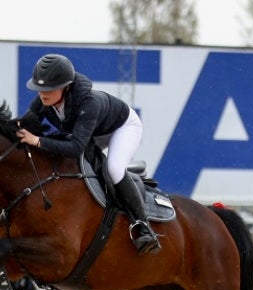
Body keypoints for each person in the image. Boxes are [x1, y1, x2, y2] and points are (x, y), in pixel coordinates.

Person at [16, 53, 161, 254]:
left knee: (114, 169)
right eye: (40, 88)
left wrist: (38, 141)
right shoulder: (44, 101)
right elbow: (25, 124)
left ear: (66, 86)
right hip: (95, 132)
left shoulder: (88, 102)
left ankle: (143, 226)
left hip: (123, 127)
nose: (42, 93)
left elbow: (76, 147)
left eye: (49, 88)